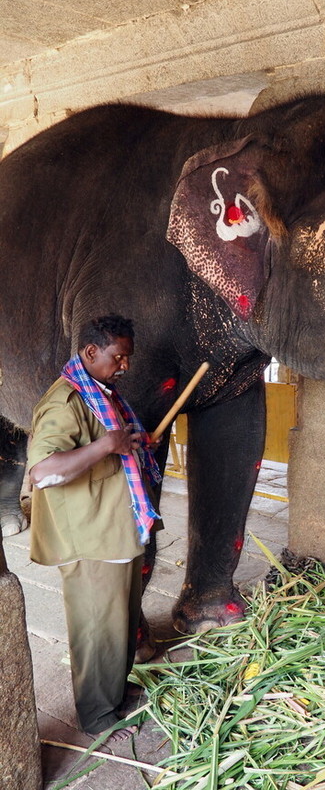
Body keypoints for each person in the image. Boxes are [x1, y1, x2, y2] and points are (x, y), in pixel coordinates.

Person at [28, 314, 162, 739]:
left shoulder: (102, 394)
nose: (124, 366)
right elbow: (43, 472)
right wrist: (108, 443)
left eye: (127, 358)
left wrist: (130, 443)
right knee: (96, 630)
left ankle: (115, 693)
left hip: (117, 528)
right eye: (118, 357)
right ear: (90, 352)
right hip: (90, 537)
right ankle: (96, 716)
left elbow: (112, 449)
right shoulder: (65, 403)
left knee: (119, 623)